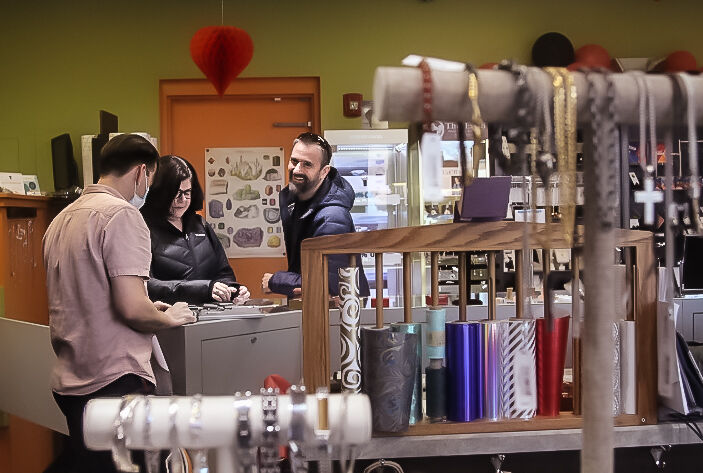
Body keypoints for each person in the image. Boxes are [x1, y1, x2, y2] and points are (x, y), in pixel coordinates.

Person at [43, 134, 197, 473]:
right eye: (151, 180)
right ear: (141, 171)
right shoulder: (122, 216)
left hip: (71, 380)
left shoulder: (61, 220)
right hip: (115, 381)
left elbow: (87, 294)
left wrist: (146, 304)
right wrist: (169, 317)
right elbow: (130, 309)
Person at [262, 132, 369, 298]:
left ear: (324, 171)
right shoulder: (294, 201)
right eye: (294, 161)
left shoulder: (332, 216)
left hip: (338, 317)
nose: (297, 169)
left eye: (307, 164)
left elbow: (332, 284)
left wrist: (275, 280)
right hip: (314, 306)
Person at [141, 155, 250, 305]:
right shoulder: (143, 226)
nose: (183, 200)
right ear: (160, 193)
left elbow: (223, 273)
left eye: (187, 193)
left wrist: (233, 290)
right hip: (170, 318)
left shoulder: (199, 224)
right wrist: (204, 289)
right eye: (177, 193)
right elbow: (147, 285)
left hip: (210, 317)